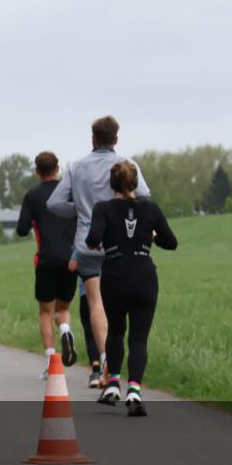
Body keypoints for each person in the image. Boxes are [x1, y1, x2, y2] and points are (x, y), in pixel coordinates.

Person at [47, 115, 150, 386]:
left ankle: (105, 360)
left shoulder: (76, 167)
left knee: (96, 303)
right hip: (122, 244)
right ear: (116, 139)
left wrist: (81, 211)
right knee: (121, 306)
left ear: (92, 139)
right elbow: (145, 196)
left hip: (88, 245)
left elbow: (54, 203)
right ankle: (120, 368)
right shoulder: (126, 164)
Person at [85, 161, 177, 416]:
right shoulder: (151, 209)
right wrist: (153, 236)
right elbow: (172, 243)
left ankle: (113, 382)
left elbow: (92, 239)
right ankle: (134, 389)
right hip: (144, 278)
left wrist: (101, 242)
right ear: (135, 183)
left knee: (115, 331)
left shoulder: (102, 209)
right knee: (139, 338)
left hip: (114, 278)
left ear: (111, 184)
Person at [16, 151, 78, 379]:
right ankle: (66, 330)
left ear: (37, 171)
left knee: (45, 312)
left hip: (46, 259)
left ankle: (52, 362)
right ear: (57, 168)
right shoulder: (70, 193)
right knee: (63, 309)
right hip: (71, 259)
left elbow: (22, 229)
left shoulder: (32, 196)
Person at [69, 250, 103, 387]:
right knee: (110, 330)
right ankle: (111, 370)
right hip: (110, 290)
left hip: (88, 292)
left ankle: (96, 370)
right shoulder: (110, 236)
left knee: (91, 331)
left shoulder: (83, 241)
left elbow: (72, 265)